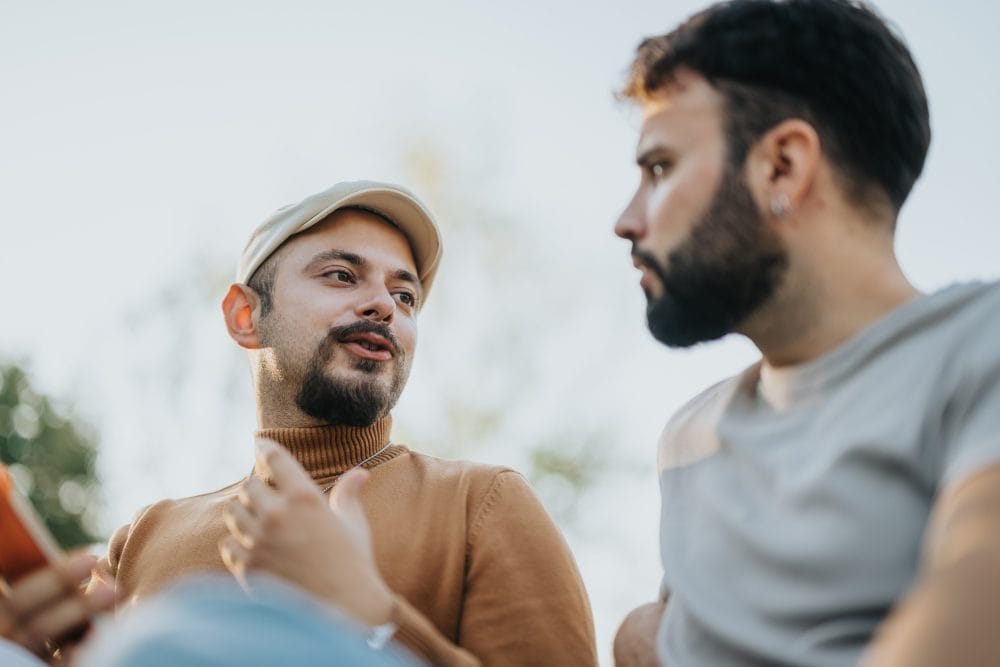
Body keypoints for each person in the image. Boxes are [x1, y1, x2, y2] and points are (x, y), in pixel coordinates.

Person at [1, 180, 597, 666]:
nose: (384, 306)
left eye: (405, 295)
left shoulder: (482, 502)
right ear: (244, 316)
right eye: (341, 275)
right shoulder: (145, 539)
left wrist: (369, 615)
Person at [611, 1, 1000, 666]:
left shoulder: (979, 347)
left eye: (660, 169)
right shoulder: (689, 438)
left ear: (783, 166)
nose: (627, 220)